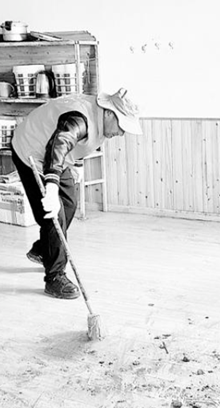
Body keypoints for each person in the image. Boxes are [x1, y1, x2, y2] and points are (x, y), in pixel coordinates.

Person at [11, 88, 142, 299]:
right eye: (122, 126)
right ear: (109, 113)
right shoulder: (80, 118)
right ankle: (54, 277)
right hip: (32, 151)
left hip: (56, 157)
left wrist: (77, 164)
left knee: (69, 204)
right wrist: (51, 187)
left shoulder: (99, 119)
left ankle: (43, 249)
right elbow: (60, 143)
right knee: (54, 215)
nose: (121, 133)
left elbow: (76, 143)